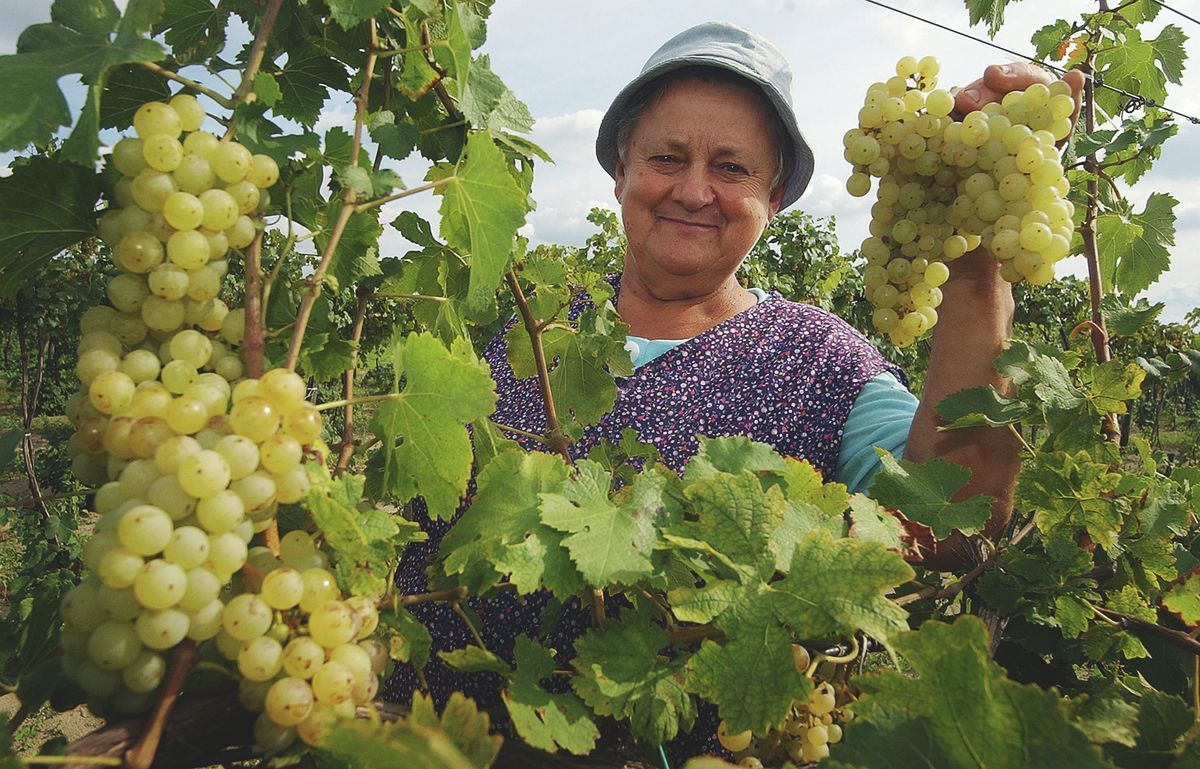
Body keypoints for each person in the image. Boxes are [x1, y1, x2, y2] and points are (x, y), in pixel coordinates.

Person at [385, 20, 1084, 758]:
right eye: (665, 157)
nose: (693, 190)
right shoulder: (531, 331)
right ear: (620, 172)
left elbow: (958, 513)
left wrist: (977, 250)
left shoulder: (822, 361)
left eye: (731, 167)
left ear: (773, 196)